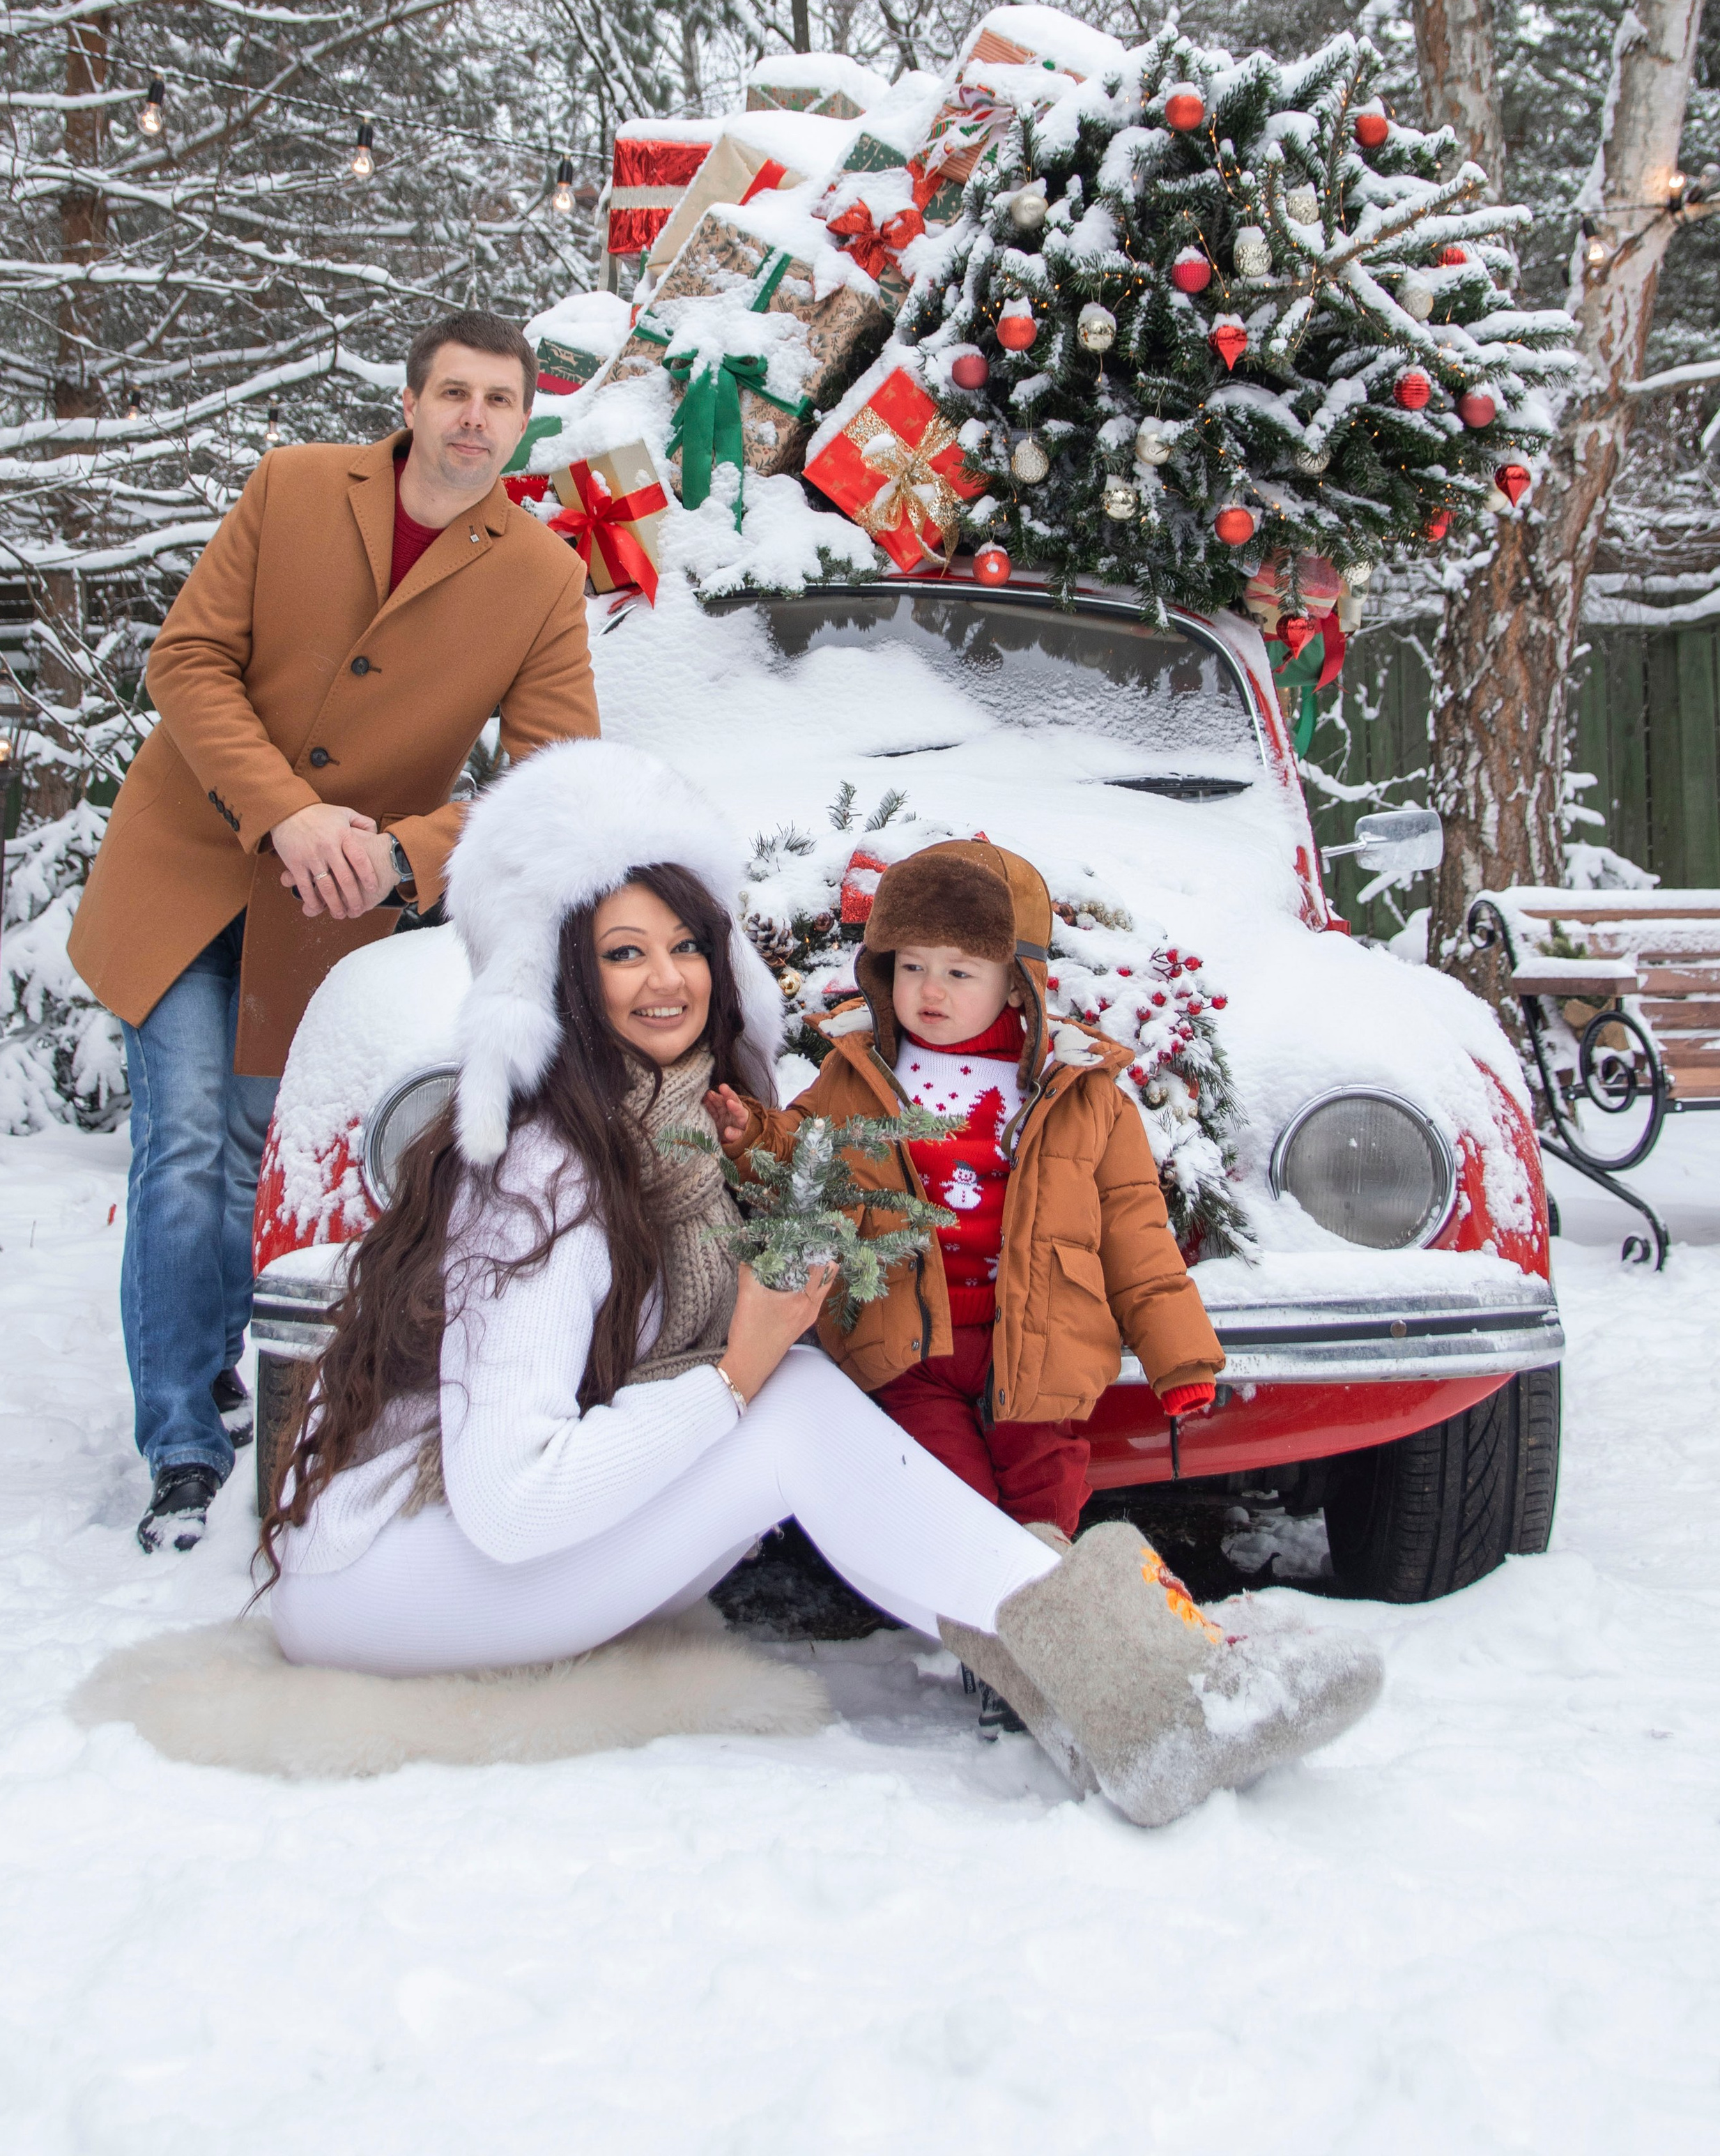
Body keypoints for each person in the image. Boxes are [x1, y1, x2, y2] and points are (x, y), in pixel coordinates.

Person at [259, 741, 1381, 1829]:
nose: (667, 979)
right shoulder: (547, 1173)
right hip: (396, 1580)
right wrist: (738, 1371)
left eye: (687, 945)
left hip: (478, 1563)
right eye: (622, 953)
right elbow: (510, 1504)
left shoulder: (673, 1130)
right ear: (559, 975)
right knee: (785, 1399)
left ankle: (1111, 1690)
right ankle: (1142, 1687)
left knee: (792, 1387)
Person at [69, 307, 599, 1553]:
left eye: (501, 401)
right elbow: (188, 662)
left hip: (329, 910)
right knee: (187, 1138)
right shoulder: (294, 488)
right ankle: (187, 1451)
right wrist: (290, 814)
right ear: (410, 404)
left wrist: (402, 854)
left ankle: (208, 1366)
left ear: (524, 424)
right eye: (455, 393)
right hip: (191, 862)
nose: (474, 417)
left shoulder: (539, 579)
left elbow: (553, 777)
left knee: (249, 1146)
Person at [705, 839, 1224, 1545]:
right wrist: (754, 1136)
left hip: (1036, 1340)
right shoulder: (865, 1072)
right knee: (945, 1493)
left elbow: (1137, 1234)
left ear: (1016, 982)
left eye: (958, 971)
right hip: (909, 1341)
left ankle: (1031, 1618)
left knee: (1047, 1496)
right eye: (910, 967)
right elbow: (806, 1148)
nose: (929, 991)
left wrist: (1182, 1358)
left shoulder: (1077, 1091)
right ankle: (971, 1601)